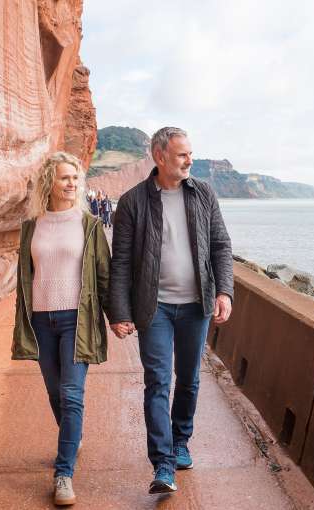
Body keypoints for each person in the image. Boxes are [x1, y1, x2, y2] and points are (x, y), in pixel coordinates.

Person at [108, 127, 234, 494]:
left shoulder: (204, 194)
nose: (189, 160)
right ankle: (163, 464)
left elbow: (221, 246)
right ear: (159, 156)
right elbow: (121, 263)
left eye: (190, 154)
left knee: (190, 379)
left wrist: (224, 290)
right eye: (182, 155)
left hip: (197, 306)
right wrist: (119, 310)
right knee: (158, 381)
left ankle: (181, 442)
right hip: (155, 308)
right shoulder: (133, 202)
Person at [11, 152, 111, 506]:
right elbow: (27, 276)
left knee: (71, 395)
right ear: (49, 183)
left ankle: (63, 474)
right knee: (55, 393)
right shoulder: (31, 227)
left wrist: (118, 316)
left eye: (75, 178)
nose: (72, 184)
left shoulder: (89, 225)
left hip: (75, 321)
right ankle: (73, 434)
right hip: (41, 321)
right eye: (65, 178)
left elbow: (103, 275)